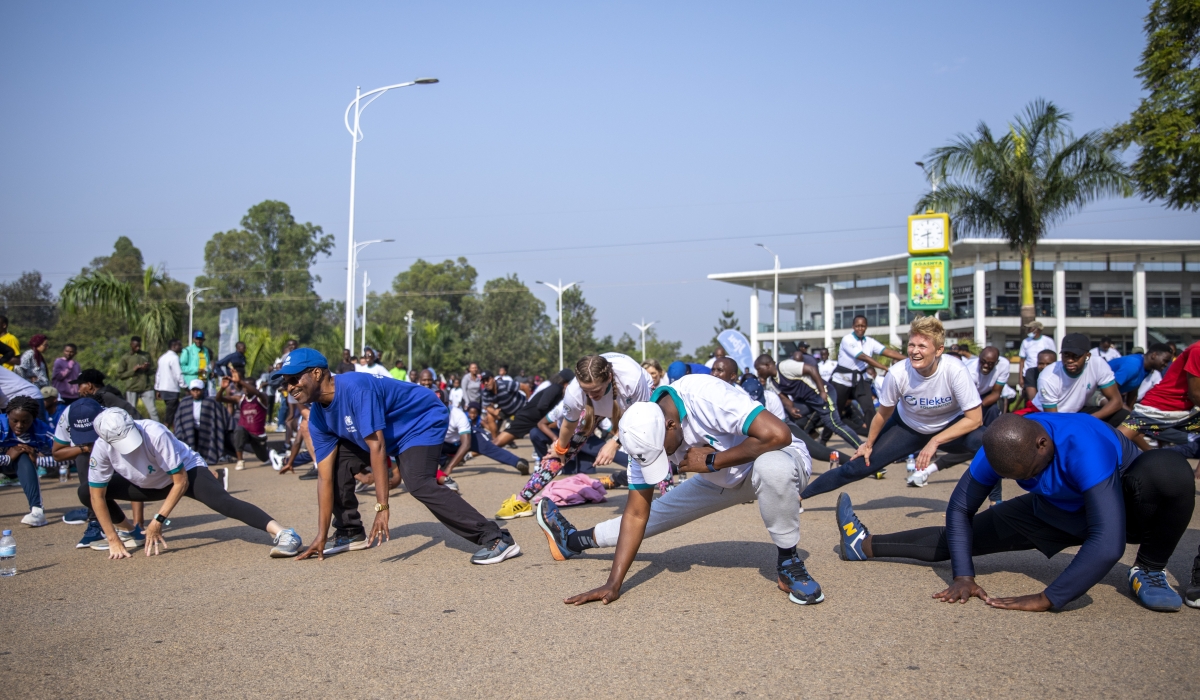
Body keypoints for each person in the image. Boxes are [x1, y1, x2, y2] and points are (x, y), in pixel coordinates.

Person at [833, 413, 1195, 612]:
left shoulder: (1082, 443)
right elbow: (959, 508)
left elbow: (1109, 541)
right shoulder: (999, 449)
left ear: (1042, 444)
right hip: (1055, 511)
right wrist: (963, 575)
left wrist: (1049, 597)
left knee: (1168, 469)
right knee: (961, 541)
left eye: (1030, 473)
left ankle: (1148, 569)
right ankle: (863, 544)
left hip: (1125, 508)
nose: (1027, 479)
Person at [535, 374, 822, 606]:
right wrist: (613, 583)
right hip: (717, 478)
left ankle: (789, 563)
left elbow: (779, 435)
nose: (665, 458)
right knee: (656, 513)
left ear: (671, 424)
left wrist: (713, 459)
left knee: (772, 468)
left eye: (664, 452)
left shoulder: (704, 395)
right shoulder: (640, 431)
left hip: (778, 457)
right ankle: (572, 541)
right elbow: (636, 515)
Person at [275, 348, 521, 564]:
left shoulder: (355, 388)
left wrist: (382, 507)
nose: (290, 387)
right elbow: (324, 478)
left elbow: (378, 449)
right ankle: (349, 531)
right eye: (286, 383)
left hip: (421, 419)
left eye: (294, 379)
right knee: (338, 463)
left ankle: (496, 538)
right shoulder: (318, 416)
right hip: (386, 431)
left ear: (316, 373)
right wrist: (320, 533)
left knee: (418, 482)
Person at [82, 408, 303, 559]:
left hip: (186, 473)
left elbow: (180, 481)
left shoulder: (154, 433)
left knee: (224, 503)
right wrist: (112, 539)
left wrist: (158, 520)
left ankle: (284, 533)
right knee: (85, 492)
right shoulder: (102, 448)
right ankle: (131, 534)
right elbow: (97, 496)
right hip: (144, 483)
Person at [803, 316, 984, 498]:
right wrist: (869, 444)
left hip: (949, 426)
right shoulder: (898, 373)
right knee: (856, 467)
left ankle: (995, 502)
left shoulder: (955, 370)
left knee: (992, 445)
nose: (914, 351)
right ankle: (800, 497)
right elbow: (882, 415)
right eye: (912, 345)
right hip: (907, 428)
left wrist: (935, 441)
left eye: (922, 346)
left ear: (939, 350)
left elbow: (975, 419)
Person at [496, 353, 652, 520]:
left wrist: (614, 443)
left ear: (608, 377)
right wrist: (560, 448)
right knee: (560, 451)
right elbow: (568, 425)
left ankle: (667, 495)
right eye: (587, 391)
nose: (592, 395)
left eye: (596, 390)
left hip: (638, 408)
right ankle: (521, 501)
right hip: (596, 409)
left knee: (653, 445)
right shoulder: (574, 391)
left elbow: (641, 418)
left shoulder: (632, 378)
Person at [1120, 340, 1200, 454]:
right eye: (1166, 361)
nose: (1166, 364)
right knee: (1115, 442)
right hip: (1160, 406)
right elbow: (1195, 394)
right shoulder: (1197, 350)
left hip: (1188, 408)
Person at [830, 315, 906, 430]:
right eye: (857, 326)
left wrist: (908, 359)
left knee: (869, 408)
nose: (860, 328)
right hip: (842, 381)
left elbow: (887, 352)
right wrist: (885, 368)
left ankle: (872, 440)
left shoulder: (869, 342)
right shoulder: (847, 339)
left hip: (860, 381)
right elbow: (863, 357)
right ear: (853, 326)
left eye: (862, 326)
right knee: (836, 412)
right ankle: (824, 440)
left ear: (866, 327)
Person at [1029, 333, 1123, 426]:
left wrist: (1089, 420)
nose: (1070, 360)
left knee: (1129, 417)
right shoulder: (1048, 376)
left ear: (1088, 356)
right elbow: (1054, 422)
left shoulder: (1098, 364)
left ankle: (1121, 440)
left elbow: (1117, 401)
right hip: (1045, 414)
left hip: (1076, 413)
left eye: (1076, 355)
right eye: (1066, 355)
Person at [490, 369, 573, 459]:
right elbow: (542, 405)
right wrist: (550, 418)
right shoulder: (556, 387)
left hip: (533, 419)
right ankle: (477, 450)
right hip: (526, 418)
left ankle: (547, 459)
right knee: (497, 443)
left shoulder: (557, 389)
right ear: (566, 381)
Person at [0, 396, 56, 526]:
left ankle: (37, 511)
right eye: (14, 421)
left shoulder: (42, 430)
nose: (19, 426)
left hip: (19, 469)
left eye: (25, 421)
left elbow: (67, 458)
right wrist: (7, 457)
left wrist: (38, 460)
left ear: (34, 419)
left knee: (23, 455)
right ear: (7, 415)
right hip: (3, 462)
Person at [216, 367, 269, 470]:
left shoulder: (261, 398)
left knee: (264, 458)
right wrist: (222, 388)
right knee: (239, 429)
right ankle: (240, 460)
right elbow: (219, 399)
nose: (246, 389)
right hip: (245, 433)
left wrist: (240, 381)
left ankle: (269, 453)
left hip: (258, 435)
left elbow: (257, 393)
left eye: (248, 386)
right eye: (244, 387)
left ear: (254, 387)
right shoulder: (240, 399)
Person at [173, 379, 232, 469]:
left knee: (208, 440)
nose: (196, 392)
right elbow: (178, 419)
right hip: (190, 429)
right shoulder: (185, 402)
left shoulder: (210, 401)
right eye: (193, 390)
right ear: (190, 391)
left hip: (206, 429)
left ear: (203, 390)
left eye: (198, 390)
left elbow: (219, 417)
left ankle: (209, 458)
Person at [1107, 343, 1173, 408]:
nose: (1166, 365)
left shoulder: (1147, 369)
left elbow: (1133, 391)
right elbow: (1109, 389)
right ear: (1154, 355)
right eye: (1165, 361)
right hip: (1100, 392)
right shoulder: (1133, 365)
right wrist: (1128, 412)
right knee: (1124, 413)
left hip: (1110, 396)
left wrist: (1131, 411)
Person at [116, 336, 158, 421]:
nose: (138, 347)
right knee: (131, 411)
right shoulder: (126, 357)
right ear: (131, 344)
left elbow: (153, 370)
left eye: (139, 345)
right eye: (135, 346)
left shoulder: (146, 355)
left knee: (153, 411)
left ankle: (159, 428)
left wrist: (146, 369)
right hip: (132, 388)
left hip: (146, 387)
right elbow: (120, 375)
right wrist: (133, 370)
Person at [69, 368, 138, 416]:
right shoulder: (105, 394)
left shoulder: (103, 397)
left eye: (79, 386)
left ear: (89, 385)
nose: (78, 390)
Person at [480, 370, 526, 436]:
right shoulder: (485, 392)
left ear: (493, 379)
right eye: (483, 381)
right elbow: (486, 406)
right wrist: (494, 412)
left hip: (520, 407)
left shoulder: (505, 384)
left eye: (487, 380)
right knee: (490, 416)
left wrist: (529, 401)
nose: (486, 383)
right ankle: (495, 442)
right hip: (505, 411)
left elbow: (525, 387)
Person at [155, 339, 185, 430]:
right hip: (172, 389)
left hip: (163, 389)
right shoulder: (174, 358)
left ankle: (176, 433)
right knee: (170, 415)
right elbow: (178, 373)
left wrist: (157, 388)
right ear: (174, 346)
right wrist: (185, 386)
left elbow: (158, 374)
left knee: (175, 412)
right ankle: (163, 431)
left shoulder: (162, 357)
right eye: (179, 345)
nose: (181, 347)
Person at [1017, 321, 1057, 389]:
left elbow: (1053, 358)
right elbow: (1022, 361)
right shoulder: (1025, 342)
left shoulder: (1048, 341)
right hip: (1029, 373)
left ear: (1037, 329)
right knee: (1030, 395)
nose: (1028, 330)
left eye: (1030, 328)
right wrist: (1020, 377)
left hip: (1044, 371)